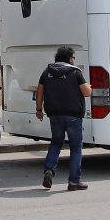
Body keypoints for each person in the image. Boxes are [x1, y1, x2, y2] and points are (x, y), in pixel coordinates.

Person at [34, 45, 91, 191]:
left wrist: (39, 110)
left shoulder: (47, 72)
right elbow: (87, 93)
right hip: (73, 116)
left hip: (55, 115)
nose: (74, 60)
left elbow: (39, 92)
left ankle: (49, 170)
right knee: (76, 148)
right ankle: (74, 182)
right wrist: (89, 86)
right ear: (70, 57)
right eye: (73, 57)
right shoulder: (75, 72)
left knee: (56, 143)